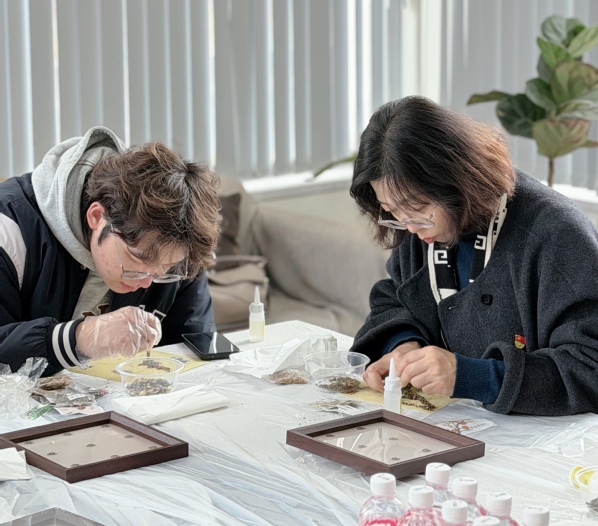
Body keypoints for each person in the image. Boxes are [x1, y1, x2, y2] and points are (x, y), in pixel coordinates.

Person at [349, 96, 598, 416]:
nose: (409, 227)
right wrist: (404, 346)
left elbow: (589, 367)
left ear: (456, 180)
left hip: (547, 436)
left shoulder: (556, 235)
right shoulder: (419, 227)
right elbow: (394, 299)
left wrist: (470, 376)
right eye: (391, 211)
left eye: (418, 207)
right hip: (452, 422)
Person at [0, 126, 220, 376]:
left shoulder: (178, 248)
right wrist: (79, 338)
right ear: (96, 217)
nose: (147, 283)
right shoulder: (9, 231)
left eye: (165, 269)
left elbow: (194, 349)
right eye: (136, 259)